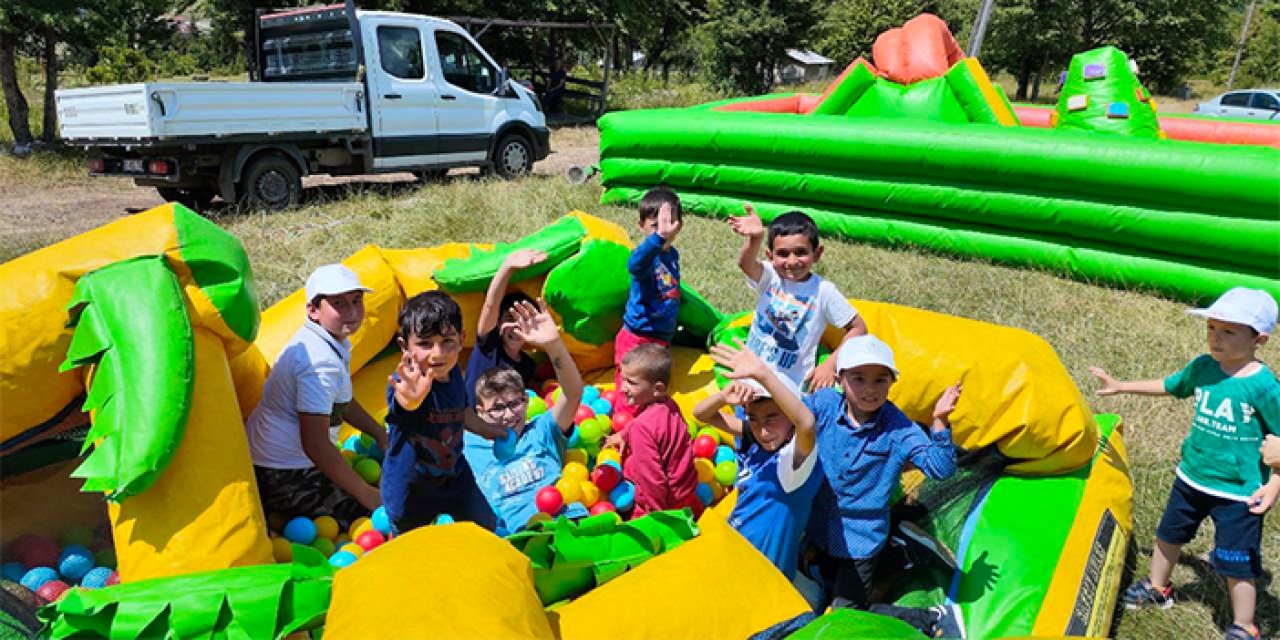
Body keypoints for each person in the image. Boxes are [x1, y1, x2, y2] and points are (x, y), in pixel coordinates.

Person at [1091, 286, 1279, 640]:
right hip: (1191, 477)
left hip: (1239, 493)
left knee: (1237, 562)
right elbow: (1171, 385)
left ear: (1260, 340)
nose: (1216, 338)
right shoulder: (1204, 367)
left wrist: (1274, 484)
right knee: (1167, 535)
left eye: (1229, 331)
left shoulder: (1264, 388)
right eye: (1211, 328)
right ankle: (1158, 587)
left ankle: (1245, 625)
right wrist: (1121, 386)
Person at [803, 335, 961, 611]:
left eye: (880, 380)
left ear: (891, 382)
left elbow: (940, 468)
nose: (870, 389)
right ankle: (899, 549)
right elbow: (788, 418)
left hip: (862, 538)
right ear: (840, 379)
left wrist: (939, 422)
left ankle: (925, 611)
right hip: (819, 528)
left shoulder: (898, 428)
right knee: (818, 578)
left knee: (846, 611)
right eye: (859, 379)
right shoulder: (824, 404)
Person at [246, 264, 387, 525]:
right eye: (339, 303)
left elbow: (340, 400)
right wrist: (366, 494)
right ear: (313, 310)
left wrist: (378, 433)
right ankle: (277, 511)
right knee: (378, 515)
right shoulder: (319, 364)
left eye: (356, 300)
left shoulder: (323, 340)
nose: (352, 312)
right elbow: (315, 444)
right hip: (282, 472)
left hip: (271, 458)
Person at [382, 291, 506, 534]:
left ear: (461, 340)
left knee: (485, 527)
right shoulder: (406, 383)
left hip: (455, 479)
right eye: (425, 344)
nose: (437, 353)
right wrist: (412, 400)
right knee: (412, 546)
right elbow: (405, 404)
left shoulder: (454, 373)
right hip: (411, 489)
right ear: (404, 346)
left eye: (447, 341)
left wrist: (487, 430)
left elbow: (461, 410)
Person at [694, 340, 820, 581]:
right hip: (733, 555)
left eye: (772, 418)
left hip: (761, 575)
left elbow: (806, 424)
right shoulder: (756, 438)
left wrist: (763, 374)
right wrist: (723, 396)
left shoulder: (794, 464)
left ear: (790, 415)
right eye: (753, 418)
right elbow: (701, 414)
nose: (763, 430)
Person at [472, 300, 589, 534]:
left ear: (526, 400)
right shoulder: (468, 446)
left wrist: (554, 345)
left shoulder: (542, 430)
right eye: (497, 408)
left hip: (568, 522)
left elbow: (573, 393)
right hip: (517, 535)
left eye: (515, 404)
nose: (508, 415)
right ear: (480, 412)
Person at [728, 205, 867, 390]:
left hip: (788, 385)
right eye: (783, 254)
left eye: (800, 252)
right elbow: (745, 264)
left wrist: (830, 364)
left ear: (817, 254)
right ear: (770, 256)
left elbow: (859, 327)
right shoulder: (770, 277)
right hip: (749, 377)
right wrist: (755, 239)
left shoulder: (823, 291)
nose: (792, 261)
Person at [605, 343, 700, 518]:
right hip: (686, 490)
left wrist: (656, 517)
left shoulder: (642, 428)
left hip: (664, 502)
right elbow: (656, 429)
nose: (623, 388)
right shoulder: (669, 404)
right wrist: (623, 434)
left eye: (631, 382)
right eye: (623, 379)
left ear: (657, 389)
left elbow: (651, 478)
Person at [612, 187, 683, 417]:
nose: (663, 230)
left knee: (652, 390)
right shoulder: (645, 257)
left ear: (679, 225)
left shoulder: (672, 255)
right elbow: (634, 264)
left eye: (668, 224)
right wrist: (658, 238)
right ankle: (622, 427)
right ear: (641, 225)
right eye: (655, 226)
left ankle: (647, 423)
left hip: (661, 339)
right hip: (637, 337)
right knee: (630, 390)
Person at [463, 249, 546, 406]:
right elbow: (491, 305)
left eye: (523, 320)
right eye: (509, 319)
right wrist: (507, 268)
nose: (516, 326)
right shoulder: (488, 347)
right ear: (498, 324)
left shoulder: (528, 365)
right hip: (470, 419)